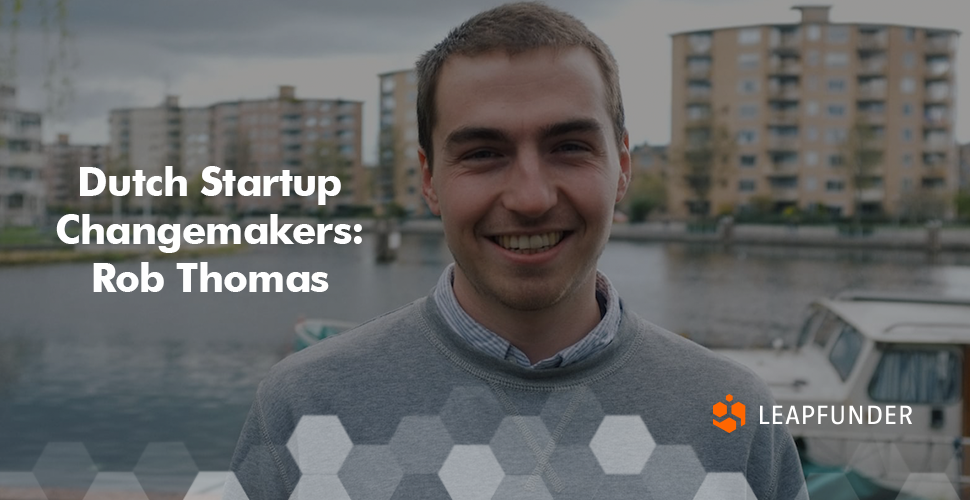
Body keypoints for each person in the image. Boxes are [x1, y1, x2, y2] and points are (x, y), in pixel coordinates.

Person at [225, 3, 806, 499]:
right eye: (483, 153)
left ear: (623, 167)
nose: (530, 198)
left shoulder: (735, 418)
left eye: (570, 147)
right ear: (429, 179)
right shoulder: (302, 407)